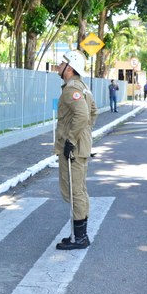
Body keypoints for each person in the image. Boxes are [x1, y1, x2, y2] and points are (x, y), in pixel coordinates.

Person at [54, 50, 97, 250]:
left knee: (74, 191)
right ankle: (78, 234)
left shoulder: (72, 89)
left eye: (61, 64)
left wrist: (72, 140)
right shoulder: (82, 87)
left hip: (73, 148)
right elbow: (92, 113)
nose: (58, 66)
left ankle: (80, 238)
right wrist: (85, 133)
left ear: (69, 68)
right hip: (80, 145)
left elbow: (82, 115)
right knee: (78, 190)